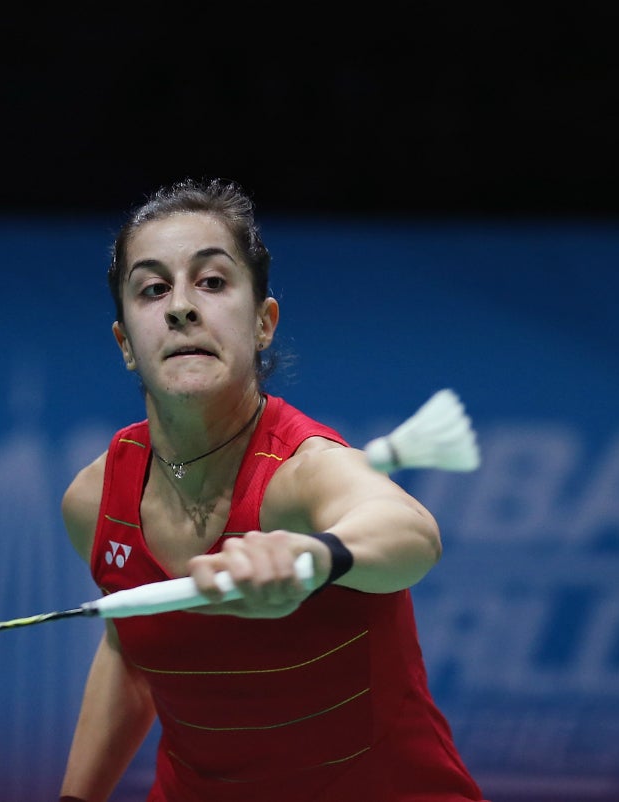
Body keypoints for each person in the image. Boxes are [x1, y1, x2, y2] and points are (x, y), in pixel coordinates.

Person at [58, 178, 486, 802]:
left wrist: (312, 559)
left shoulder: (301, 468)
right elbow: (132, 652)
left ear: (263, 322)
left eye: (211, 281)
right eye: (153, 289)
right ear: (126, 344)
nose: (180, 306)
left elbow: (411, 534)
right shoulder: (94, 500)